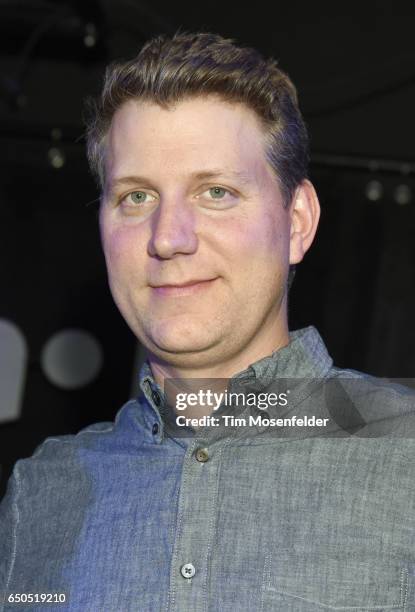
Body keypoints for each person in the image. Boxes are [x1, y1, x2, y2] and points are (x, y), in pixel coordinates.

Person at [1, 31, 415, 612]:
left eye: (215, 192)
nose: (168, 237)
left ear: (297, 222)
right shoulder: (42, 492)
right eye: (137, 198)